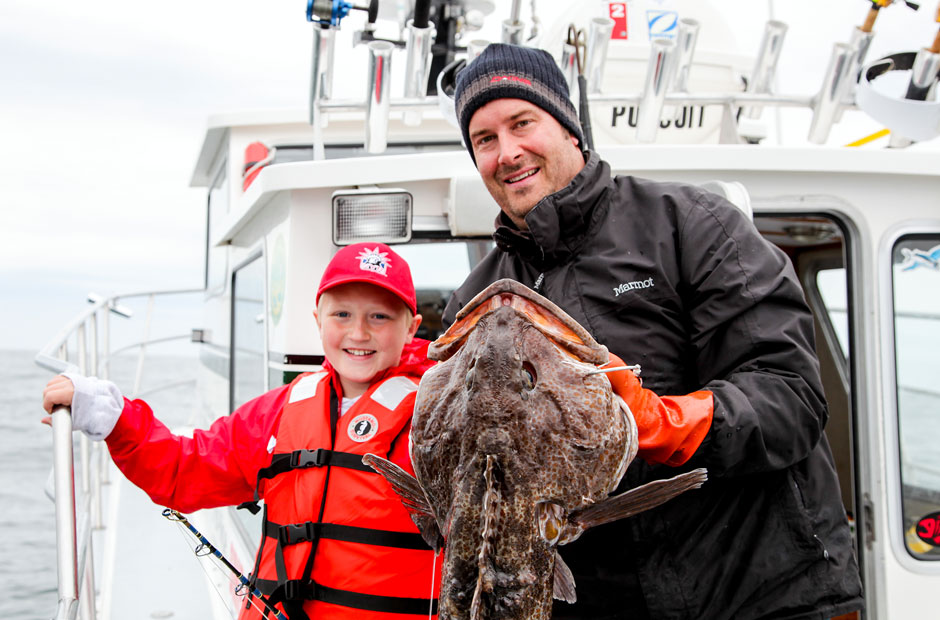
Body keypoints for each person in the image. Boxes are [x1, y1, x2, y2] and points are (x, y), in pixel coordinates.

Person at [445, 43, 863, 620]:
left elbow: (790, 396)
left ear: (569, 129)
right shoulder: (478, 301)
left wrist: (663, 421)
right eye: (484, 139)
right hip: (596, 600)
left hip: (752, 593)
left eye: (522, 123)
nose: (507, 152)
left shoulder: (691, 223)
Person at [42, 242, 441, 620]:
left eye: (380, 316)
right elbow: (186, 469)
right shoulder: (280, 411)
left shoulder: (439, 417)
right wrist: (115, 420)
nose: (358, 333)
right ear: (318, 320)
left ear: (412, 328)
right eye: (342, 315)